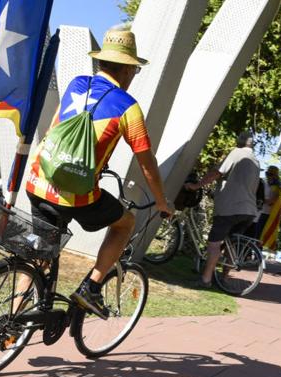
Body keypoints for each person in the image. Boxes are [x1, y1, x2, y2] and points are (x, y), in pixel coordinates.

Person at [25, 26, 173, 319]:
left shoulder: (77, 85)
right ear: (129, 70)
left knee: (40, 255)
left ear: (102, 62)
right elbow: (147, 163)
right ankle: (91, 287)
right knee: (125, 222)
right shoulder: (127, 107)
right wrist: (161, 202)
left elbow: (57, 129)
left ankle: (13, 322)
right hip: (75, 195)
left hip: (37, 180)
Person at [186, 131, 260, 287]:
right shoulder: (256, 161)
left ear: (239, 142)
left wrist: (196, 185)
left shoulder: (236, 153)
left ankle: (205, 279)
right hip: (248, 210)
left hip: (230, 208)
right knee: (232, 244)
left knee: (214, 244)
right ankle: (224, 279)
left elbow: (216, 173)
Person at [255, 165, 281, 250]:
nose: (268, 175)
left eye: (271, 174)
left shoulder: (278, 186)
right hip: (257, 212)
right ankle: (249, 256)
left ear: (275, 175)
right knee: (255, 235)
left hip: (266, 214)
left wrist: (261, 200)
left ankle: (256, 258)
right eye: (267, 173)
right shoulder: (263, 182)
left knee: (259, 236)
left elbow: (273, 201)